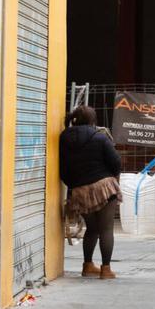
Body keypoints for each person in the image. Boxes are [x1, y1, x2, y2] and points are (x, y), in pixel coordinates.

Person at [59, 105, 122, 279]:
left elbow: (63, 168)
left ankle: (87, 266)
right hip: (103, 187)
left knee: (92, 228)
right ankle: (106, 269)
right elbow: (116, 163)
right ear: (93, 120)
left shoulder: (64, 137)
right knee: (106, 229)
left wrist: (73, 186)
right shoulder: (99, 137)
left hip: (79, 190)